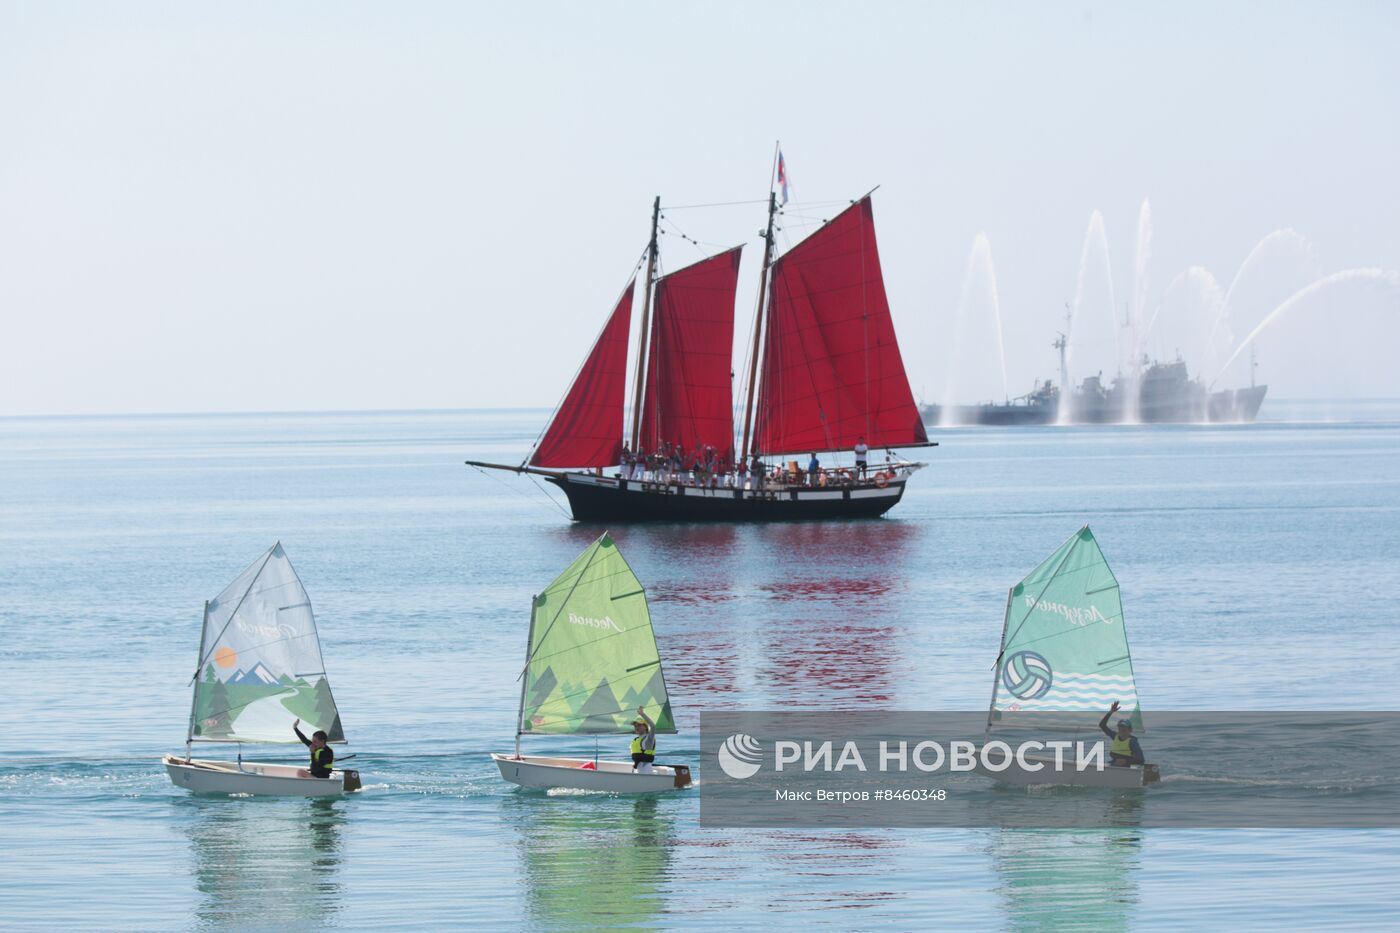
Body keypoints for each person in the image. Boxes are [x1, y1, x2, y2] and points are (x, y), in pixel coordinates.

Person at [1098, 701, 1144, 767]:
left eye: (1124, 729)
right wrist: (1111, 712)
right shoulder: (1115, 736)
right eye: (1120, 728)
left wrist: (1126, 761)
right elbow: (1102, 725)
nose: (1122, 731)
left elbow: (1141, 759)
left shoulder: (1132, 741)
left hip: (1127, 767)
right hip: (1114, 764)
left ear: (1130, 730)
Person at [630, 707, 657, 772]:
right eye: (635, 726)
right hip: (638, 771)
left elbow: (653, 726)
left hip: (646, 773)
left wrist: (642, 714)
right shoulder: (636, 739)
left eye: (639, 725)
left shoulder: (649, 738)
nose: (636, 727)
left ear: (645, 727)